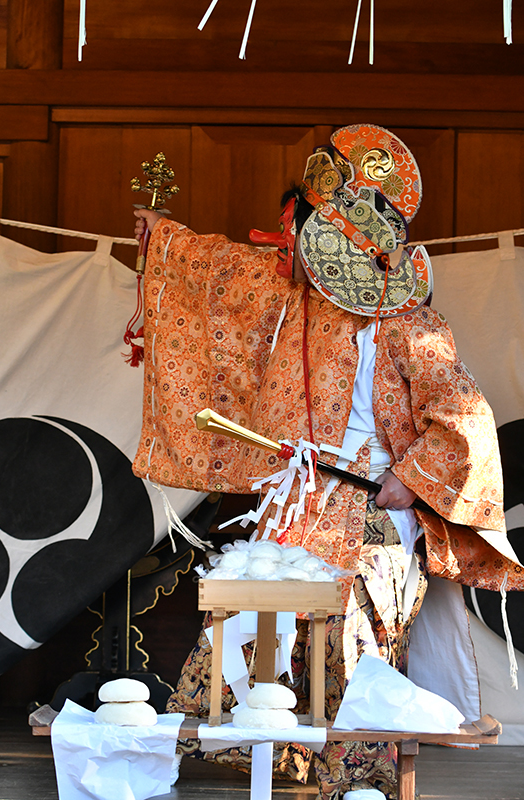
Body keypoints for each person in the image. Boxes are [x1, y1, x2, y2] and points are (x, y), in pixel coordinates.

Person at [132, 124, 522, 800]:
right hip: (295, 497)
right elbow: (226, 270)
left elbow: (463, 416)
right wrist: (163, 238)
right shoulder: (292, 304)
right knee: (259, 623)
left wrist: (411, 477)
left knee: (354, 641)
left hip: (368, 505)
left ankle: (360, 781)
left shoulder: (407, 323)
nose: (300, 250)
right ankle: (278, 766)